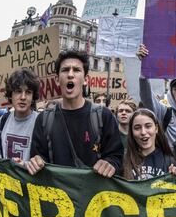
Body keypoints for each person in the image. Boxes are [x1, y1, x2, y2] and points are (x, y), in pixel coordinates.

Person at [27, 50, 123, 178]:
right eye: (65, 70)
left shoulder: (103, 116)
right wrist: (36, 163)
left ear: (85, 79)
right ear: (57, 79)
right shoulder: (44, 119)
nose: (70, 75)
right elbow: (37, 159)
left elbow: (117, 157)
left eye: (76, 70)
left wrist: (110, 164)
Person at [122, 108, 176, 180]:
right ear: (132, 132)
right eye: (137, 128)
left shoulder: (169, 161)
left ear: (156, 129)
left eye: (148, 126)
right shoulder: (123, 160)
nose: (143, 132)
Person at [0, 69, 40, 162]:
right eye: (18, 91)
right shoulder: (3, 121)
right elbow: (0, 154)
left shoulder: (40, 122)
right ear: (11, 95)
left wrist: (25, 166)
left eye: (28, 92)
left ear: (33, 97)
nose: (23, 97)